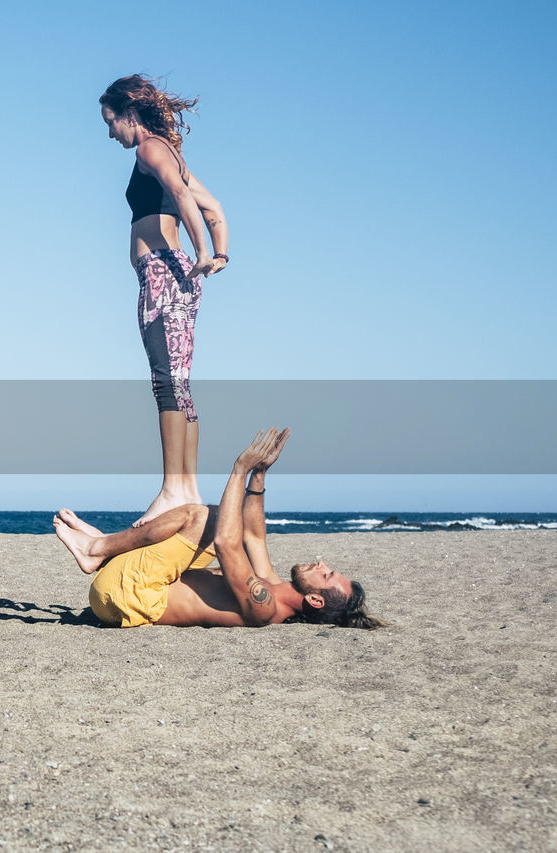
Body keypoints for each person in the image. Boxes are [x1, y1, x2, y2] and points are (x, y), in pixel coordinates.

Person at [53, 428, 386, 629]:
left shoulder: (265, 606)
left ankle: (96, 549)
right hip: (132, 586)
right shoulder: (272, 584)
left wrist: (239, 469)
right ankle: (104, 547)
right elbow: (252, 535)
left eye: (327, 575)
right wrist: (259, 474)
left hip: (128, 597)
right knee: (214, 525)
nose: (322, 564)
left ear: (314, 600)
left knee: (205, 520)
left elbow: (229, 543)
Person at [99, 75, 229, 526]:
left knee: (166, 383)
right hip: (176, 275)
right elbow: (213, 209)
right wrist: (219, 251)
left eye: (110, 122)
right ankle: (187, 489)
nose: (109, 132)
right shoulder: (174, 156)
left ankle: (174, 490)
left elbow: (178, 195)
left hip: (162, 273)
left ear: (129, 116)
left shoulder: (149, 149)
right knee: (178, 383)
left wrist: (205, 253)